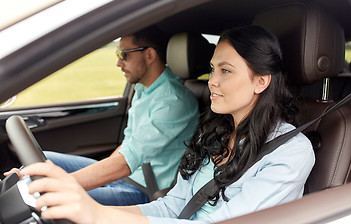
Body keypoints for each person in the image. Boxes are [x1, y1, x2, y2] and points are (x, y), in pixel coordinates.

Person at [20, 25, 315, 224]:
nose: (212, 80)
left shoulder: (290, 152)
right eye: (213, 69)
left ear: (261, 81)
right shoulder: (217, 134)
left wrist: (97, 215)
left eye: (226, 70)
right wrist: (99, 214)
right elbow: (170, 207)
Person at [6, 26, 199, 206]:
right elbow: (127, 145)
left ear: (149, 55)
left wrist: (60, 183)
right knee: (42, 160)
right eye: (117, 54)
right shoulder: (143, 90)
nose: (118, 62)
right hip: (124, 175)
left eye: (124, 55)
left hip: (142, 189)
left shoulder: (173, 101)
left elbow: (125, 163)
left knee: (49, 198)